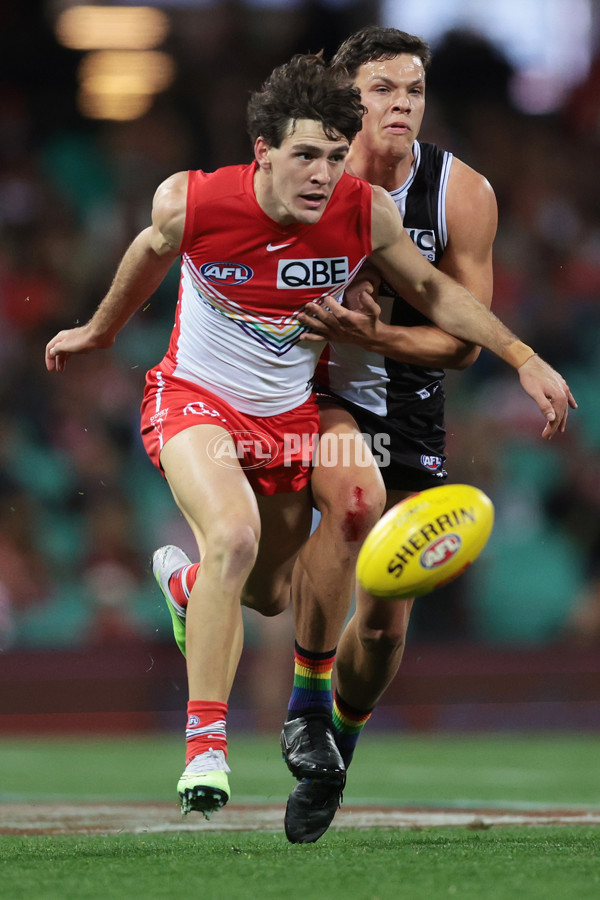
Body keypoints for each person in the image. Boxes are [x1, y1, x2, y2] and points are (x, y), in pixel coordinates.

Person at [45, 51, 573, 824]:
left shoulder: (364, 211)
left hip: (293, 424)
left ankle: (192, 594)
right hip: (198, 405)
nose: (323, 173)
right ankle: (206, 750)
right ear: (263, 152)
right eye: (304, 155)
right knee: (231, 536)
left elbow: (433, 292)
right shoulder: (193, 200)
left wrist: (522, 357)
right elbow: (148, 253)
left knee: (272, 585)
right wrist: (97, 329)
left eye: (333, 154)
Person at [280, 26, 575, 844]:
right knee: (348, 507)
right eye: (382, 89)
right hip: (308, 392)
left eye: (412, 89)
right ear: (347, 99)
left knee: (383, 623)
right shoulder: (306, 174)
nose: (401, 103)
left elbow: (458, 345)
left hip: (407, 404)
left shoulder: (461, 194)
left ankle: (338, 739)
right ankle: (304, 703)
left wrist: (376, 336)